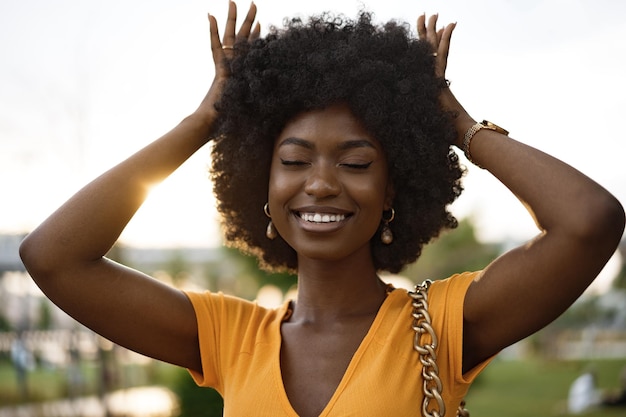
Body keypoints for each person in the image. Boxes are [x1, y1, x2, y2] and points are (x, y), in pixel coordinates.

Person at [19, 2, 625, 416]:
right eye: (294, 160)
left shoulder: (445, 323)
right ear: (261, 179)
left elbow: (589, 221)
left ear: (393, 190)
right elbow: (52, 258)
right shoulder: (229, 337)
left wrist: (458, 124)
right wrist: (204, 122)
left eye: (356, 164)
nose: (321, 184)